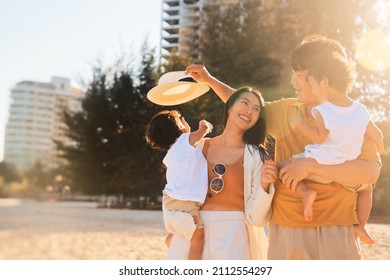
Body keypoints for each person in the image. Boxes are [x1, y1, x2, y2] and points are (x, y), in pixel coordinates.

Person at [185, 34, 382, 259]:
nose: (293, 81)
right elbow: (245, 106)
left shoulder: (351, 117)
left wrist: (311, 167)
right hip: (284, 230)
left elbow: (370, 171)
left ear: (322, 78)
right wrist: (210, 80)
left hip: (336, 229)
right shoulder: (287, 111)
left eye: (299, 75)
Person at [275, 38, 384, 246]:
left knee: (282, 167)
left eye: (311, 81)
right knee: (367, 189)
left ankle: (306, 193)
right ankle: (360, 224)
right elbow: (376, 133)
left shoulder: (323, 110)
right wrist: (379, 143)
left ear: (323, 82)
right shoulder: (360, 110)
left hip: (319, 165)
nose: (310, 87)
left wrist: (298, 123)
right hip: (347, 175)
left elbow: (318, 137)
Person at [164, 87, 278, 260]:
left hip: (234, 236)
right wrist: (176, 226)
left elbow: (257, 219)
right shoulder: (201, 146)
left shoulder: (256, 156)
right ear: (230, 107)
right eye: (245, 103)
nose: (249, 111)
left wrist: (263, 186)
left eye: (256, 109)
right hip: (195, 230)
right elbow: (175, 186)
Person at [145, 110, 213, 259]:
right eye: (181, 122)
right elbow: (204, 131)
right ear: (179, 128)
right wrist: (204, 124)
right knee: (198, 237)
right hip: (185, 201)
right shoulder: (186, 140)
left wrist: (186, 134)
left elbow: (187, 150)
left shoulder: (172, 152)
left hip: (170, 199)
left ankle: (172, 240)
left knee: (181, 227)